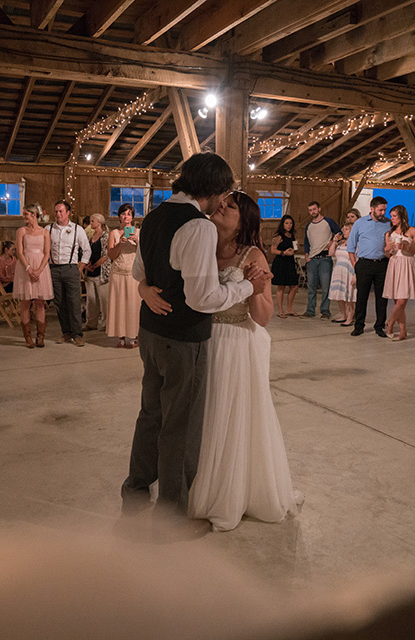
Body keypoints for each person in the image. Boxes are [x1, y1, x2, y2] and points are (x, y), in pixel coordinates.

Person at [122, 152, 269, 520]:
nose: (224, 202)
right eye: (226, 194)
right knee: (180, 428)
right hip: (183, 338)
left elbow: (140, 271)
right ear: (216, 192)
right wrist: (246, 289)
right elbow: (203, 298)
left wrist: (144, 291)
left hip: (150, 332)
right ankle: (170, 518)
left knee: (150, 416)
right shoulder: (199, 226)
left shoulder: (153, 216)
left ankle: (135, 496)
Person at [143, 192, 300, 532]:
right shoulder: (202, 243)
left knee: (228, 417)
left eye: (230, 206)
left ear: (243, 220)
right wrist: (143, 288)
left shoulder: (253, 254)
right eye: (222, 202)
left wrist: (256, 287)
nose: (222, 207)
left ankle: (223, 490)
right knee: (196, 416)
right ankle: (189, 489)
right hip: (197, 339)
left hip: (235, 343)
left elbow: (263, 318)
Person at [346, 196, 392, 337]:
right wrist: (355, 266)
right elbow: (351, 247)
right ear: (372, 209)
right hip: (364, 264)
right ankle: (359, 325)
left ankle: (379, 326)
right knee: (362, 296)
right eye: (380, 210)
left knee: (382, 297)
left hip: (382, 264)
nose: (383, 212)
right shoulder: (360, 223)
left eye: (385, 209)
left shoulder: (388, 223)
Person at [49, 200, 91, 347]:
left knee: (74, 302)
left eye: (61, 211)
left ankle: (77, 334)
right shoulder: (49, 229)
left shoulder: (77, 229)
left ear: (68, 213)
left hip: (71, 268)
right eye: (56, 211)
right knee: (59, 303)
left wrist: (80, 267)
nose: (58, 214)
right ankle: (66, 332)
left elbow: (87, 250)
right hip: (54, 269)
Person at [14, 203, 53, 348]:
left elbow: (47, 253)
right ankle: (28, 337)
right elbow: (19, 252)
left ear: (34, 215)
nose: (24, 217)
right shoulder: (21, 231)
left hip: (41, 267)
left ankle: (40, 336)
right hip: (25, 266)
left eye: (26, 215)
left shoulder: (45, 232)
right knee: (25, 302)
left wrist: (39, 270)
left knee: (40, 302)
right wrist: (29, 269)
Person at [382, 205, 415, 341]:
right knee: (397, 302)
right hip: (394, 264)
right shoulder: (389, 234)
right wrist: (387, 250)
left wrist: (408, 246)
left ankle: (390, 324)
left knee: (401, 301)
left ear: (401, 216)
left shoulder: (412, 231)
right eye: (391, 216)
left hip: (407, 264)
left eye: (394, 216)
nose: (392, 219)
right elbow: (388, 254)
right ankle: (402, 331)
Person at [107, 203, 141, 348]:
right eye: (123, 213)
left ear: (132, 217)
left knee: (133, 305)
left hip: (133, 273)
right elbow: (111, 255)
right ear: (119, 216)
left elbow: (145, 253)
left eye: (129, 214)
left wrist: (137, 241)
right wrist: (120, 243)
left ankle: (134, 336)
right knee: (119, 304)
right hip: (118, 272)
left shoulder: (139, 232)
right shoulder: (113, 233)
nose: (126, 217)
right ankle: (120, 336)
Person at [303, 201, 341, 319]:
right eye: (310, 210)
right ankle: (310, 310)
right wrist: (306, 254)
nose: (312, 212)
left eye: (314, 209)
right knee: (311, 287)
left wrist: (333, 242)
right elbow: (306, 241)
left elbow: (339, 232)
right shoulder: (309, 225)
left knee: (325, 287)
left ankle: (325, 310)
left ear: (319, 209)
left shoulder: (328, 222)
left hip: (325, 258)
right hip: (312, 259)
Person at [328, 209, 358, 325]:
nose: (343, 231)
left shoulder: (356, 244)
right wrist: (335, 241)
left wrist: (356, 274)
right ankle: (343, 314)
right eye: (343, 229)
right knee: (340, 294)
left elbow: (357, 259)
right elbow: (331, 253)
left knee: (349, 296)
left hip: (349, 271)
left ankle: (350, 317)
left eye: (346, 230)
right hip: (339, 270)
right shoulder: (341, 243)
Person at [269, 214, 299, 318]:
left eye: (290, 223)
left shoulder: (293, 235)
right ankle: (280, 311)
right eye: (287, 223)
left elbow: (295, 248)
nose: (289, 225)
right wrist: (283, 252)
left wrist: (294, 249)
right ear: (282, 224)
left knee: (294, 286)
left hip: (290, 262)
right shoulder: (279, 236)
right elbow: (272, 250)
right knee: (281, 287)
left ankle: (289, 309)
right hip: (281, 262)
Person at [85, 213, 110, 331]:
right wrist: (88, 265)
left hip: (101, 272)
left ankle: (105, 324)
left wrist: (95, 265)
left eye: (92, 221)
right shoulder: (92, 236)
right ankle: (91, 323)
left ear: (99, 222)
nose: (91, 223)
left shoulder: (105, 236)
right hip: (90, 272)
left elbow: (106, 255)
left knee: (104, 300)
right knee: (91, 300)